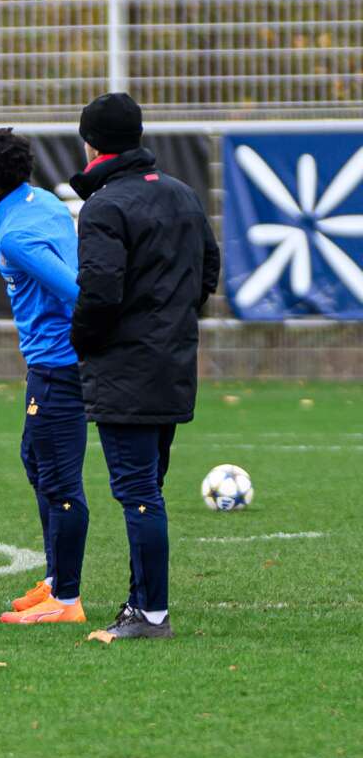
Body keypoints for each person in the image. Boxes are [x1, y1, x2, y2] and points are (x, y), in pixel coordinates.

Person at [69, 93, 219, 642]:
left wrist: (82, 340)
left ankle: (151, 613)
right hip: (172, 361)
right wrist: (171, 321)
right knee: (147, 487)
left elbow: (100, 292)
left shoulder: (105, 206)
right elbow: (209, 272)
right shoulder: (182, 194)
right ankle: (140, 602)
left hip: (126, 368)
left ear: (91, 142)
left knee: (138, 493)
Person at [0, 128, 89, 626]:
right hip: (56, 363)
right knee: (35, 460)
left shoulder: (17, 234)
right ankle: (57, 581)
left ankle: (67, 599)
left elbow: (77, 291)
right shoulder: (39, 203)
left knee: (57, 476)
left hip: (58, 365)